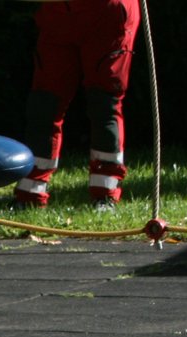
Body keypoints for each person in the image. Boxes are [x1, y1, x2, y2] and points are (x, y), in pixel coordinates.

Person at [13, 0, 142, 209]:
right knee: (45, 103)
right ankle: (30, 193)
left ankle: (105, 193)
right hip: (59, 15)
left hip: (106, 15)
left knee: (104, 102)